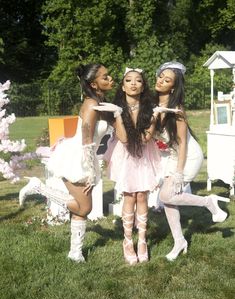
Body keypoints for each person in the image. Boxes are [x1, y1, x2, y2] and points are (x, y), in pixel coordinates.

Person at [19, 63, 114, 262]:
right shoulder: (90, 104)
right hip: (78, 156)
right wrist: (89, 171)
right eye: (105, 77)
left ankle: (75, 253)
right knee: (84, 208)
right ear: (94, 84)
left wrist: (118, 112)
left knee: (81, 208)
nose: (110, 79)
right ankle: (38, 188)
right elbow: (86, 140)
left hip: (86, 155)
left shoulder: (100, 102)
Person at [153, 61, 230, 261]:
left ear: (173, 87)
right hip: (172, 155)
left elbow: (182, 143)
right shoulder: (154, 104)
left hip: (187, 157)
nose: (161, 81)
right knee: (169, 200)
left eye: (167, 80)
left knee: (166, 195)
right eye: (161, 76)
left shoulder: (176, 109)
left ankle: (208, 202)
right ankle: (180, 242)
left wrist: (179, 172)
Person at [94, 67, 163, 265]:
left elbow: (146, 138)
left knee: (142, 194)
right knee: (129, 195)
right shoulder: (118, 108)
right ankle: (127, 241)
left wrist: (155, 117)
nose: (133, 83)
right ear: (123, 86)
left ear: (143, 87)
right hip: (125, 154)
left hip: (143, 153)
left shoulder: (149, 108)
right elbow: (124, 139)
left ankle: (142, 240)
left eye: (138, 81)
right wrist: (117, 115)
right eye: (129, 80)